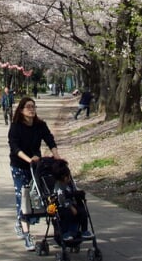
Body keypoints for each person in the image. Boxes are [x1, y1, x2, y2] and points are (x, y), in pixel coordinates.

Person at [8, 95, 61, 251]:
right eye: (28, 107)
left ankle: (53, 226)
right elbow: (15, 147)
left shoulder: (40, 125)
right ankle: (21, 222)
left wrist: (56, 156)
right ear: (21, 110)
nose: (31, 110)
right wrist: (28, 159)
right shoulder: (16, 127)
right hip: (19, 165)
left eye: (33, 107)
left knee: (40, 194)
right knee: (22, 195)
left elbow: (50, 140)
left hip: (37, 165)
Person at [52, 159, 92, 242]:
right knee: (67, 214)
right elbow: (61, 200)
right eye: (67, 176)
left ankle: (84, 230)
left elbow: (72, 194)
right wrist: (70, 207)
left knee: (83, 212)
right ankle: (66, 233)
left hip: (72, 205)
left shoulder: (69, 185)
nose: (69, 178)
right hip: (62, 207)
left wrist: (78, 195)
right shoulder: (59, 186)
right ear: (63, 177)